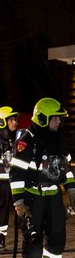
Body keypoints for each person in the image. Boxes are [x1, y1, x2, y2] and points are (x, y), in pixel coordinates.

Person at [9, 98, 75, 258]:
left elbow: (65, 169)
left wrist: (72, 190)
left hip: (53, 197)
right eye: (56, 118)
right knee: (33, 241)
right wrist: (19, 203)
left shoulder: (57, 139)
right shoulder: (26, 139)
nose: (59, 122)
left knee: (58, 238)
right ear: (43, 118)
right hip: (34, 198)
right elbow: (16, 173)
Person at [0, 106, 19, 250]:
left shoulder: (12, 140)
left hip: (8, 183)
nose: (15, 122)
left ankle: (1, 239)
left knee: (4, 211)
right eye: (11, 120)